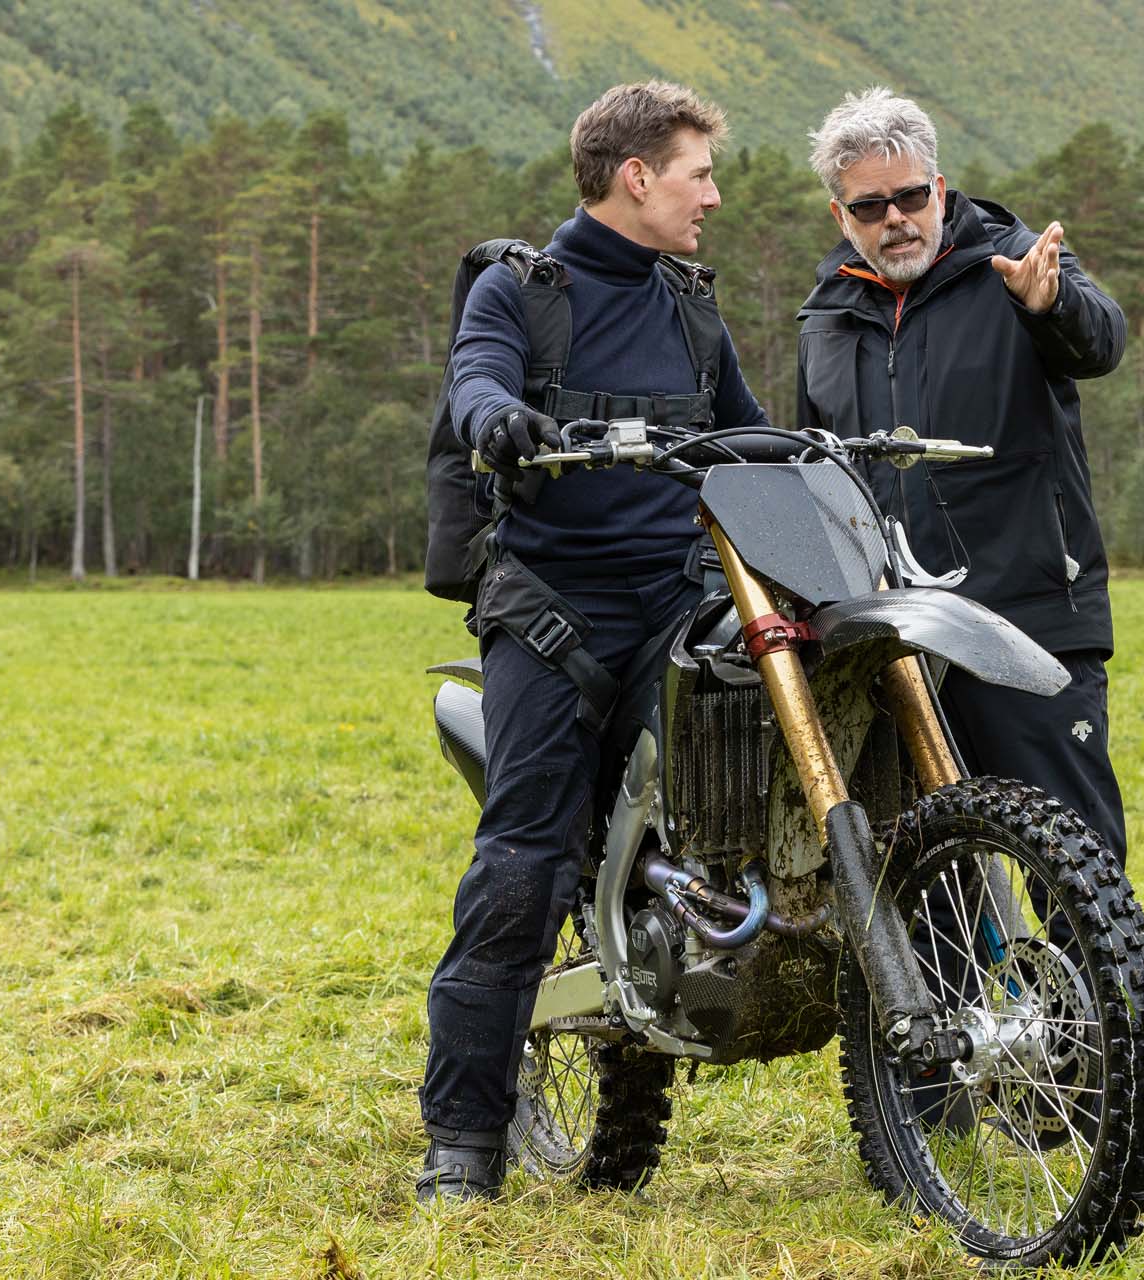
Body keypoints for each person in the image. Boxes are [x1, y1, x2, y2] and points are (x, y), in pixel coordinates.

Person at [794, 87, 1144, 1159]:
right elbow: (809, 462)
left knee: (1077, 868)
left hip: (1026, 615)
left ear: (939, 182)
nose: (895, 220)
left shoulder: (1013, 261)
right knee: (915, 868)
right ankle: (938, 1110)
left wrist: (1048, 304)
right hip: (886, 639)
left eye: (910, 196)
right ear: (841, 212)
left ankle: (1139, 1116)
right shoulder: (827, 313)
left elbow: (1099, 340)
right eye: (869, 206)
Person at [418, 81, 771, 1204]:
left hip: (680, 605)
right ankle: (464, 1144)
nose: (712, 194)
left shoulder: (689, 307)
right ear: (637, 177)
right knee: (520, 863)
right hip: (555, 617)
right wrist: (495, 418)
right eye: (698, 173)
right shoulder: (519, 293)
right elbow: (474, 380)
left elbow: (748, 432)